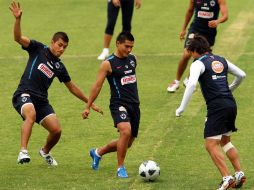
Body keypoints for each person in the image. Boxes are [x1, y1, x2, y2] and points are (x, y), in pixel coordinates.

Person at [10, 1, 103, 166]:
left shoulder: (59, 66)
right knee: (30, 114)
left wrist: (90, 103)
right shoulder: (38, 48)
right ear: (52, 42)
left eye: (65, 47)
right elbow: (18, 38)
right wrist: (18, 19)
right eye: (60, 45)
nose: (61, 49)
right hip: (24, 94)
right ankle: (23, 151)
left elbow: (71, 87)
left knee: (56, 130)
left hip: (41, 100)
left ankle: (45, 151)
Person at [175, 35, 246, 190]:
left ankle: (227, 178)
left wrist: (181, 108)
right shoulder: (221, 59)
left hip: (217, 107)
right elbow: (242, 75)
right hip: (230, 104)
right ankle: (239, 173)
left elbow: (192, 84)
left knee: (210, 144)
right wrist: (230, 89)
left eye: (190, 52)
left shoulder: (197, 63)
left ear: (195, 51)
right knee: (225, 141)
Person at [82, 31, 140, 178]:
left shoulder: (133, 59)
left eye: (131, 47)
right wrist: (88, 106)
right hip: (118, 103)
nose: (129, 50)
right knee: (125, 132)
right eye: (126, 46)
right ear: (118, 43)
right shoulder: (108, 64)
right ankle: (120, 168)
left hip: (135, 105)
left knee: (127, 142)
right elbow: (97, 86)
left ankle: (97, 152)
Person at [167, 0, 228, 92]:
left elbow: (225, 15)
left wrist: (217, 21)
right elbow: (190, 11)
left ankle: (188, 80)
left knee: (202, 58)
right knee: (187, 54)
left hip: (209, 32)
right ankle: (176, 81)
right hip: (195, 29)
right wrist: (183, 29)